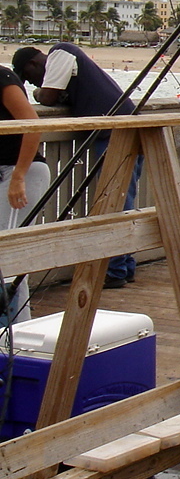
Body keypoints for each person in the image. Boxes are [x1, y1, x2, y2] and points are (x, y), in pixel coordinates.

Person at [13, 44, 140, 288]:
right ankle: (124, 265)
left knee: (114, 201)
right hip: (121, 130)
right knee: (124, 199)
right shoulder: (69, 64)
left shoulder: (60, 52)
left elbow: (48, 96)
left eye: (30, 78)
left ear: (33, 65)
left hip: (115, 133)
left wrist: (40, 94)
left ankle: (115, 271)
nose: (33, 83)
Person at [0, 65, 49, 323]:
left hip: (21, 172)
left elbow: (31, 124)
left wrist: (19, 176)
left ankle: (16, 330)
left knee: (8, 253)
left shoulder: (2, 78)